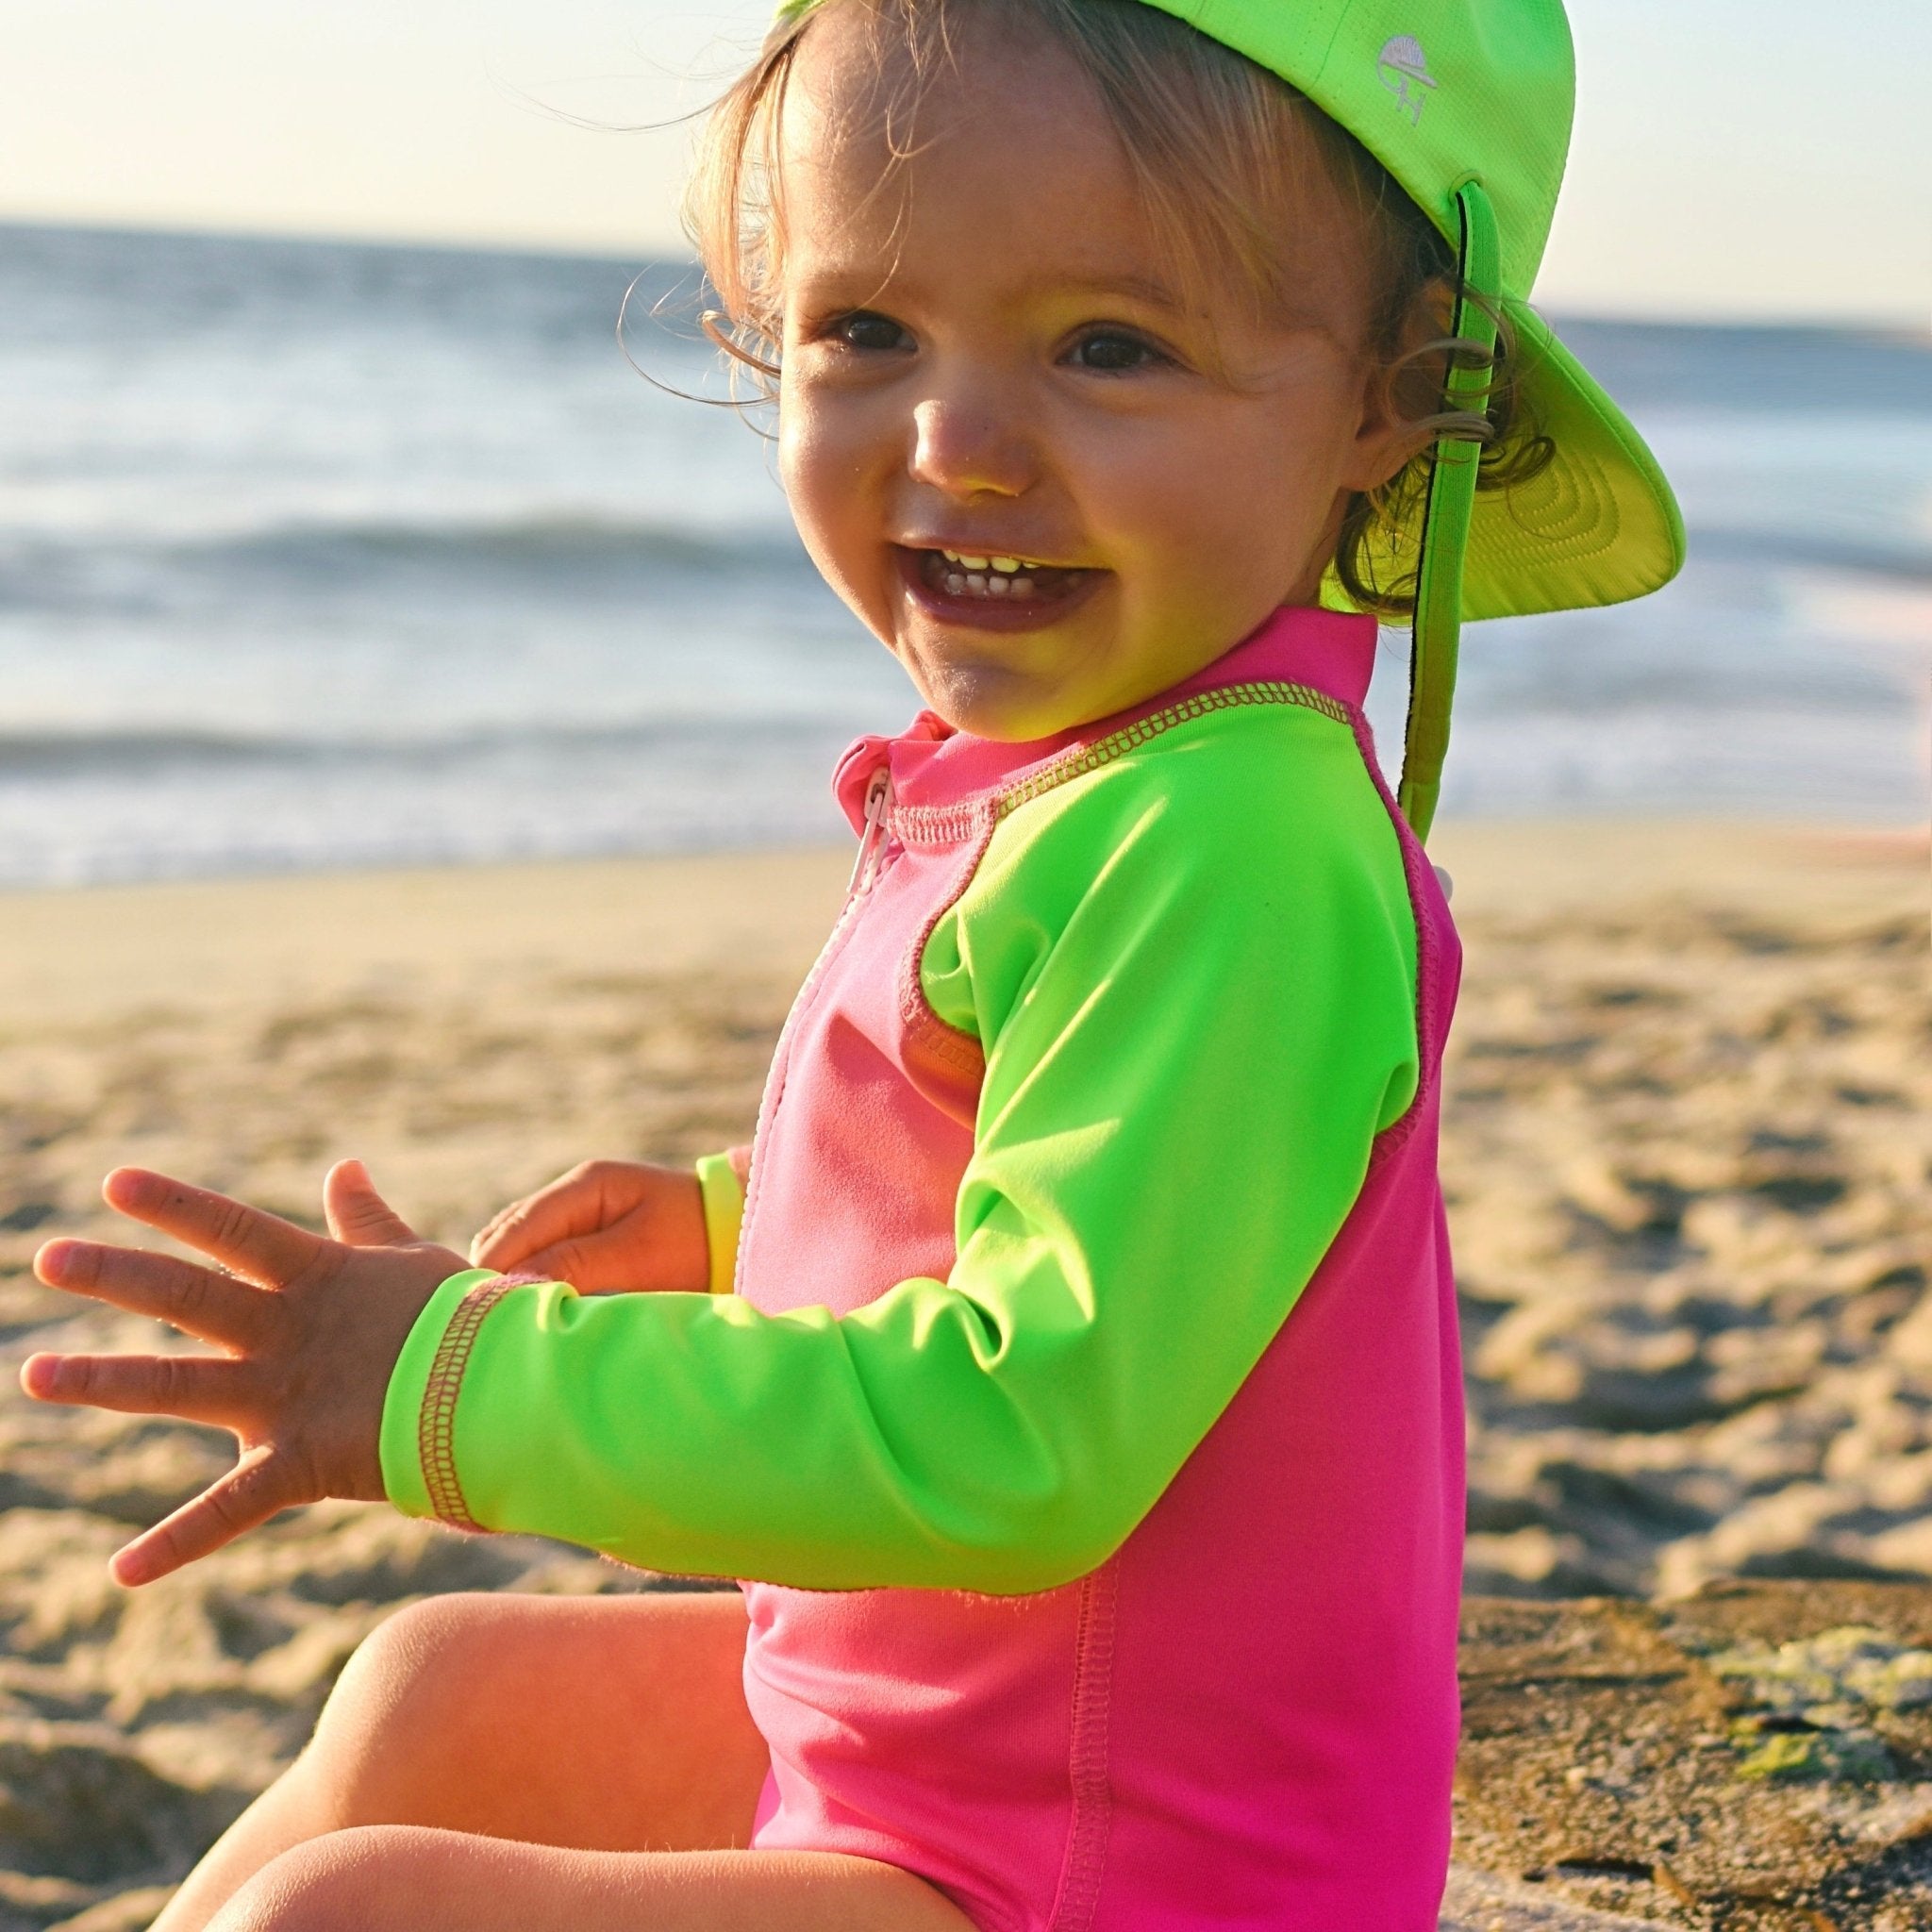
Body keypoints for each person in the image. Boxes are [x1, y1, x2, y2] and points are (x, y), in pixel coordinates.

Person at [22, 0, 1682, 1926]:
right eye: (865, 333)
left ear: (1398, 395)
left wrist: (447, 1377)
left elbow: (1021, 1438)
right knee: (434, 1684)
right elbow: (1073, 1179)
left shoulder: (1241, 842)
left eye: (1108, 346)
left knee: (352, 1912)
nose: (955, 443)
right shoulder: (1089, 778)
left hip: (1128, 1871)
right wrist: (746, 1225)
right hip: (954, 1762)